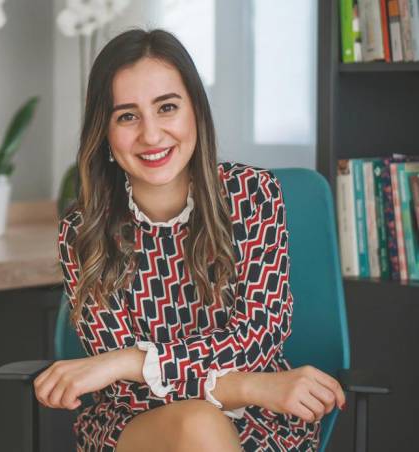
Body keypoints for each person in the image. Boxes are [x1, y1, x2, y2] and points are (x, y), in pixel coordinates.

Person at [33, 29, 346, 451]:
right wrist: (250, 386)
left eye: (167, 107)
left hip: (262, 421)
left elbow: (256, 340)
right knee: (196, 422)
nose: (151, 134)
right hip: (138, 424)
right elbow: (126, 390)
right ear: (104, 131)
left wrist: (127, 360)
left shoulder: (253, 195)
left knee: (201, 423)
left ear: (195, 111)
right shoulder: (82, 230)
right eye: (127, 116)